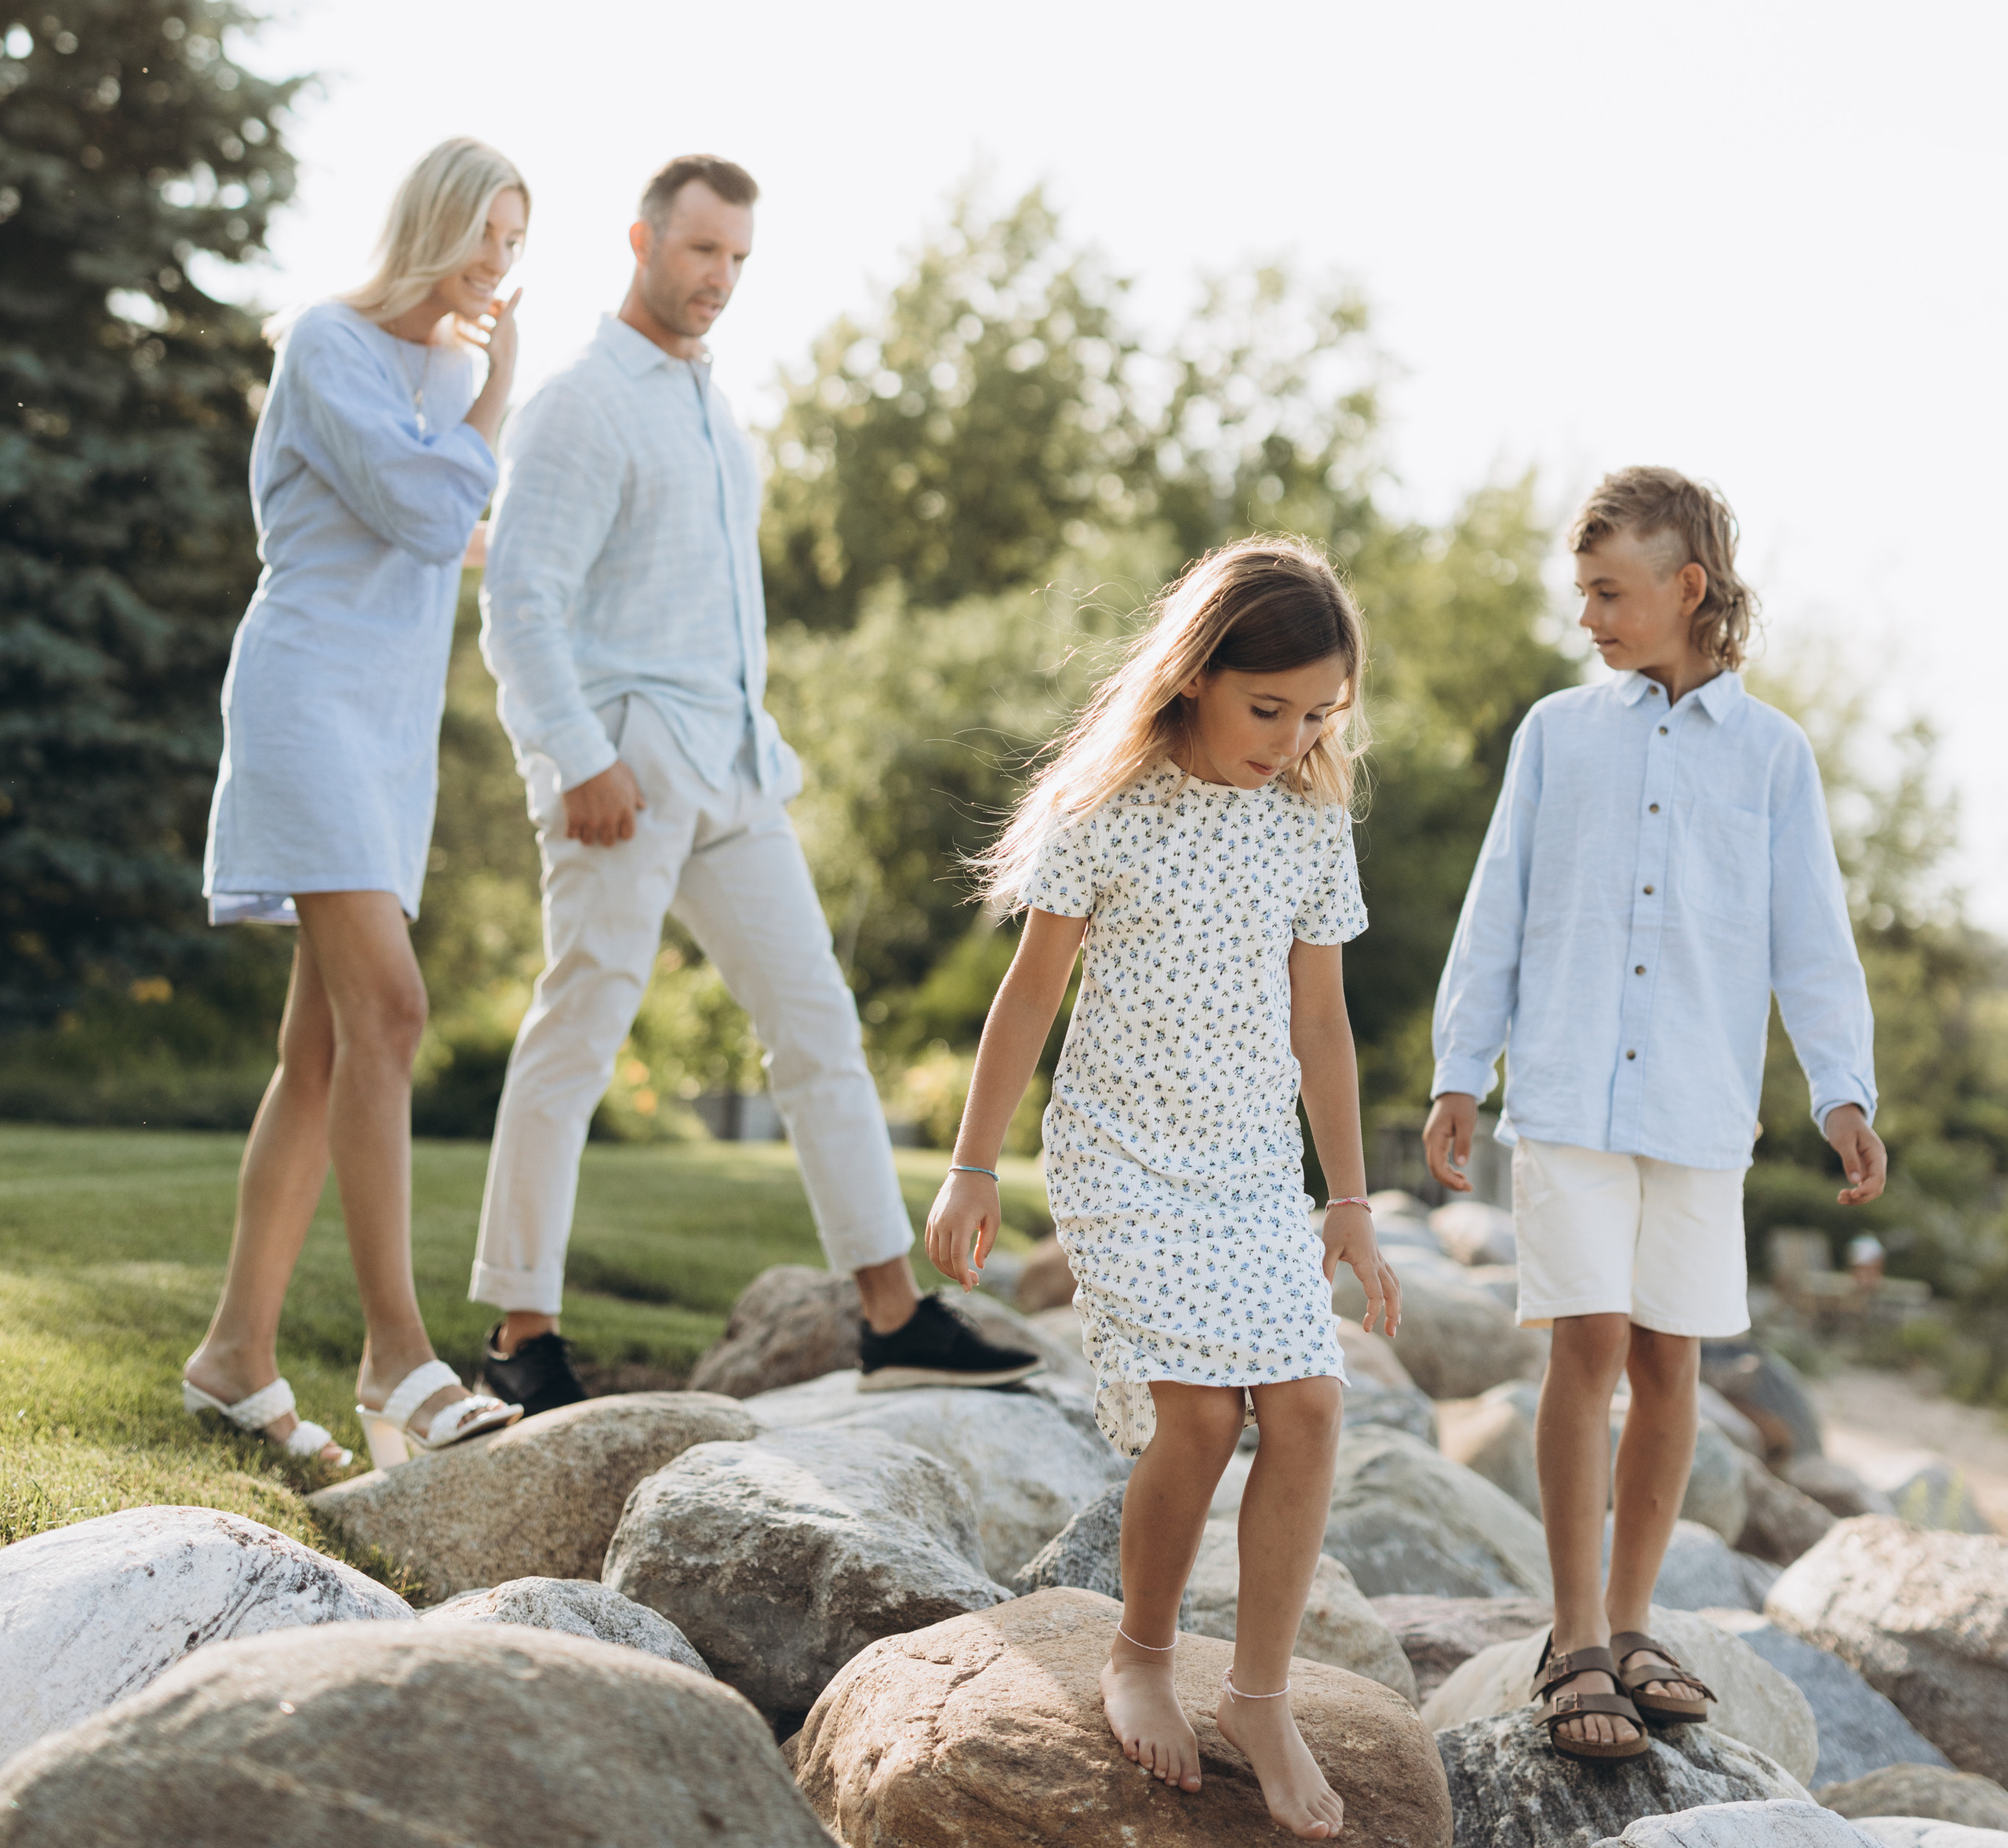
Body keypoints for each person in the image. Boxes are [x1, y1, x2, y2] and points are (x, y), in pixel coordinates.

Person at [469, 153, 1038, 1410]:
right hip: (627, 762)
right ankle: (521, 1338)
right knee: (580, 1032)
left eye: (736, 259)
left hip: (734, 765)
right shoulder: (579, 402)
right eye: (699, 251)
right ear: (642, 241)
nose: (718, 278)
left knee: (819, 1027)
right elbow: (519, 600)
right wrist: (578, 758)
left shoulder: (714, 410)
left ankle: (892, 1313)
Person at [926, 538, 1400, 1842]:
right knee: (1195, 1420)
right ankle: (1139, 1649)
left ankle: (1257, 1693)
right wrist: (974, 1163)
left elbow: (1323, 1027)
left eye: (1317, 715)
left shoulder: (1308, 824)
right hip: (1122, 1159)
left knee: (1306, 1405)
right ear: (1195, 674)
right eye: (1269, 708)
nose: (1292, 736)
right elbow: (1029, 997)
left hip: (1251, 1168)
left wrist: (1347, 1201)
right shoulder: (1108, 809)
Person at [1424, 465, 1884, 1766]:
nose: (1590, 617)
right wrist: (1464, 1067)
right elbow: (1497, 903)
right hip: (1568, 1091)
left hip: (1697, 1107)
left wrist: (1840, 1090)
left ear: (1688, 588)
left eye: (1611, 592)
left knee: (1672, 1363)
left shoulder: (1773, 757)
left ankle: (1632, 1626)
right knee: (1587, 1348)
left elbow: (1813, 940)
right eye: (1582, 593)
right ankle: (1572, 1636)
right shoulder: (1556, 735)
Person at [186, 139, 532, 1471]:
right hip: (307, 695)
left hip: (390, 732)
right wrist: (496, 403)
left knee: (322, 1049)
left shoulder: (447, 378)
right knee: (390, 1009)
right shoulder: (329, 344)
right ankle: (397, 1353)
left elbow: (466, 525)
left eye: (517, 240)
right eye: (486, 233)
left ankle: (233, 1355)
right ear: (434, 225)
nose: (500, 264)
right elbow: (415, 502)